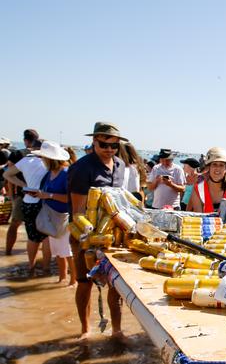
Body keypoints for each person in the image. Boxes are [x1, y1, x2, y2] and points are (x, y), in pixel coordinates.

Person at [67, 122, 127, 341]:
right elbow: (77, 212)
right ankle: (85, 329)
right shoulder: (82, 168)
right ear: (94, 141)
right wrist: (90, 240)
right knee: (84, 283)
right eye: (104, 144)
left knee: (115, 284)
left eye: (114, 145)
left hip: (112, 236)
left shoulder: (120, 165)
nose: (109, 149)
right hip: (84, 235)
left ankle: (117, 330)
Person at [4, 138, 51, 276]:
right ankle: (46, 269)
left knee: (32, 237)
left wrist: (24, 185)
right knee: (47, 237)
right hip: (46, 201)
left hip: (28, 201)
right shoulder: (50, 163)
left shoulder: (26, 161)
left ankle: (31, 266)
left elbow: (6, 174)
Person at [31, 141, 76, 285]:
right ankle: (62, 278)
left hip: (63, 217)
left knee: (67, 252)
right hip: (52, 216)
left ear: (50, 159)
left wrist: (48, 195)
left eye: (43, 158)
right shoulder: (49, 173)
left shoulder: (65, 173)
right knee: (58, 252)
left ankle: (73, 281)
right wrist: (39, 194)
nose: (41, 160)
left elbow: (71, 198)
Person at [188, 147, 226, 214]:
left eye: (221, 165)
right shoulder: (198, 190)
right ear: (208, 167)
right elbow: (199, 218)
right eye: (214, 164)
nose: (217, 168)